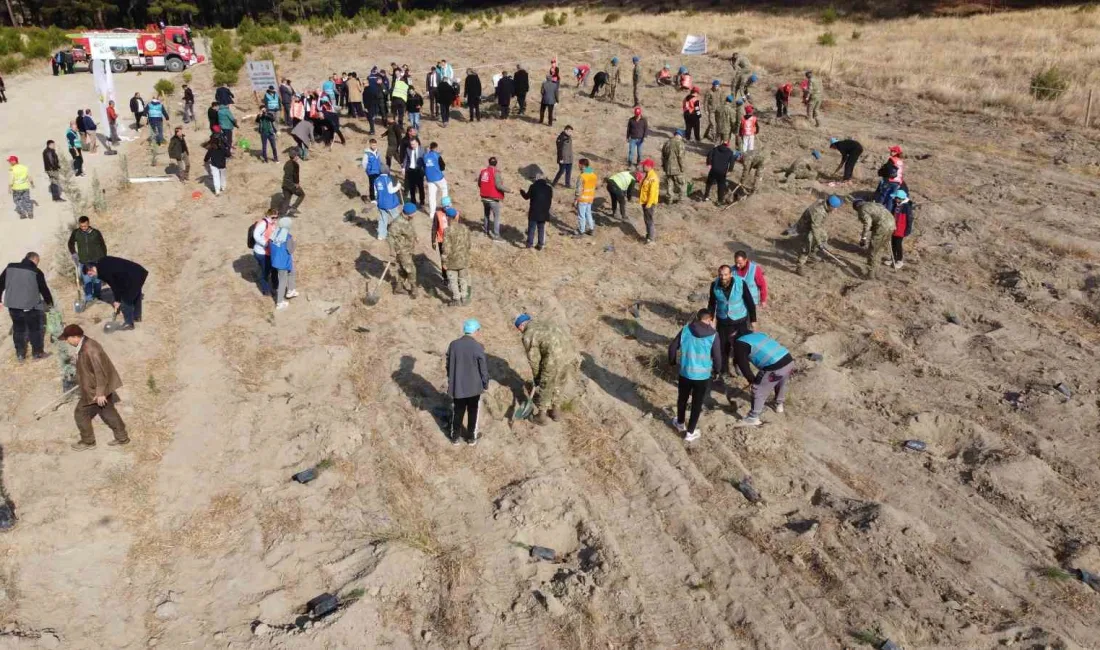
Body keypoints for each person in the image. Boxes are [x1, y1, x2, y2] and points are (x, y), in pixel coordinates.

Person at [62, 324, 130, 451]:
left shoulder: (90, 349)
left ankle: (88, 442)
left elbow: (100, 372)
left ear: (75, 337)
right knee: (108, 411)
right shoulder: (84, 345)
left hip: (95, 390)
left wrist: (100, 393)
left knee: (80, 413)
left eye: (67, 338)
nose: (66, 341)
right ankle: (122, 437)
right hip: (97, 387)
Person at [667, 309, 721, 442]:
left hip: (685, 372)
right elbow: (717, 356)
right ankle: (690, 432)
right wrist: (717, 370)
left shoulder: (686, 330)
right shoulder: (713, 335)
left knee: (682, 399)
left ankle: (680, 423)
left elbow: (672, 347)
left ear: (697, 318)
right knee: (697, 404)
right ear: (710, 319)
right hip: (702, 376)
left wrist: (672, 362)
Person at [514, 313, 572, 425]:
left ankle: (541, 416)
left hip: (554, 357)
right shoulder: (544, 323)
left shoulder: (528, 335)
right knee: (559, 382)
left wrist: (537, 377)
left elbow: (534, 359)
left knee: (546, 383)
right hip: (568, 354)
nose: (520, 331)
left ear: (521, 326)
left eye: (518, 329)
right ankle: (556, 412)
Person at [730, 329, 794, 426]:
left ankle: (752, 418)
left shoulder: (740, 343)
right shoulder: (758, 335)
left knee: (758, 390)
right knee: (781, 383)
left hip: (773, 367)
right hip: (788, 360)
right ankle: (779, 404)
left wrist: (751, 380)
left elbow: (743, 365)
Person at [0, 252, 53, 361]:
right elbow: (44, 289)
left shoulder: (10, 267)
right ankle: (37, 353)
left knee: (18, 329)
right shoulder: (36, 272)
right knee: (35, 329)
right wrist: (50, 303)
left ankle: (20, 354)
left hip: (13, 306)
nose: (37, 264)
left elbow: (0, 284)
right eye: (38, 262)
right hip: (30, 306)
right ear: (34, 260)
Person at [706, 264, 756, 377]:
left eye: (725, 274)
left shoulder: (740, 283)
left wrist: (753, 319)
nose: (723, 277)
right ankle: (724, 370)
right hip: (723, 320)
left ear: (731, 274)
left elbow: (749, 301)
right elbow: (712, 303)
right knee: (723, 346)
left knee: (741, 345)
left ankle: (738, 364)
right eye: (721, 275)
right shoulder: (714, 285)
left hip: (740, 320)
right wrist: (710, 318)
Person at [446, 319, 489, 445]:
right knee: (473, 411)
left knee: (458, 410)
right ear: (475, 331)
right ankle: (471, 438)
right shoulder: (478, 347)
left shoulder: (453, 345)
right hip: (474, 387)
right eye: (478, 331)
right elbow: (483, 368)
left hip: (457, 385)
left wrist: (451, 378)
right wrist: (485, 384)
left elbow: (448, 364)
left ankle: (455, 437)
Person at [84, 257, 148, 330]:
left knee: (126, 299)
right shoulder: (102, 262)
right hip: (139, 271)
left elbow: (114, 285)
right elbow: (117, 279)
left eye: (90, 274)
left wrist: (117, 300)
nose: (90, 276)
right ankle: (137, 317)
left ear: (92, 268)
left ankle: (129, 324)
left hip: (133, 276)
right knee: (136, 293)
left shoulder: (103, 272)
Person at [796, 195, 843, 275]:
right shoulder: (819, 212)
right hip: (805, 227)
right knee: (808, 243)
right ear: (831, 206)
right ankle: (799, 266)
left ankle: (812, 253)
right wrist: (819, 243)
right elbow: (815, 228)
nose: (836, 210)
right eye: (835, 208)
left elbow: (816, 225)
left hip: (812, 224)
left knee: (824, 236)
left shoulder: (823, 203)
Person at [851, 199, 894, 278]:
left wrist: (863, 238)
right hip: (892, 224)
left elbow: (867, 224)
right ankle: (876, 271)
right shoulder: (874, 204)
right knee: (880, 249)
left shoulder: (862, 209)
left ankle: (870, 274)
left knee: (872, 251)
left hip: (882, 228)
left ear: (856, 208)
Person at [442, 207, 472, 306]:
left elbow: (446, 248)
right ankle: (464, 297)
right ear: (455, 216)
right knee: (463, 279)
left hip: (452, 260)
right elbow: (469, 244)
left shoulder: (447, 231)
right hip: (464, 259)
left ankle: (456, 299)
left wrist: (444, 262)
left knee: (453, 280)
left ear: (447, 217)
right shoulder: (465, 228)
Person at [389, 203, 419, 297]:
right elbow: (390, 236)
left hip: (408, 249)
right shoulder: (397, 223)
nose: (415, 214)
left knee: (403, 270)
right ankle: (414, 289)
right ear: (409, 213)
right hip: (402, 251)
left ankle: (398, 288)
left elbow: (410, 229)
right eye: (414, 212)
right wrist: (392, 251)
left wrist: (415, 236)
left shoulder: (408, 219)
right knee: (411, 269)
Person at [269, 217, 299, 310]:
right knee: (282, 281)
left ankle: (291, 290)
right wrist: (295, 242)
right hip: (283, 263)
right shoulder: (288, 237)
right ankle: (279, 303)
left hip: (275, 261)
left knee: (292, 272)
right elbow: (291, 250)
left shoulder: (274, 234)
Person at [478, 157, 508, 240]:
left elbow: (480, 183)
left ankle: (485, 232)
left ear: (489, 162)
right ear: (496, 163)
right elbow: (499, 186)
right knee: (496, 217)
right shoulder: (496, 172)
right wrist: (509, 190)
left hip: (484, 197)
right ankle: (496, 235)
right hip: (493, 199)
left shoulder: (483, 172)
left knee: (486, 215)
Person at [520, 170, 554, 243]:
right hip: (544, 211)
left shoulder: (533, 186)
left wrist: (521, 191)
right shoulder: (549, 188)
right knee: (541, 228)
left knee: (532, 227)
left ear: (537, 178)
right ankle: (540, 244)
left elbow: (526, 197)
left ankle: (529, 244)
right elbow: (550, 199)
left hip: (534, 211)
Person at [250, 209, 278, 296]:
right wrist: (265, 243)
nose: (275, 219)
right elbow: (256, 235)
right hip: (261, 252)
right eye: (273, 217)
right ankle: (266, 290)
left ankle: (275, 285)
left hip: (270, 251)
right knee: (265, 272)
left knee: (274, 269)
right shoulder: (263, 223)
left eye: (277, 217)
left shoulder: (272, 223)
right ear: (268, 216)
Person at [373, 166, 403, 240]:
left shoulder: (376, 180)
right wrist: (398, 187)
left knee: (382, 219)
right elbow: (391, 191)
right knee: (397, 218)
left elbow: (376, 193)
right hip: (390, 204)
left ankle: (381, 235)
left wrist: (378, 200)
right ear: (387, 171)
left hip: (381, 204)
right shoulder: (388, 180)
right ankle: (400, 233)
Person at [703, 140, 736, 204]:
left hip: (713, 169)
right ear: (728, 145)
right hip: (722, 172)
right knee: (721, 186)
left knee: (709, 183)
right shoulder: (730, 152)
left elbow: (709, 155)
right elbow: (732, 162)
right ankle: (720, 201)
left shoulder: (715, 149)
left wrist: (709, 163)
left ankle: (706, 196)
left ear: (721, 143)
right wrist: (730, 170)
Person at [889, 189, 914, 270]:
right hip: (894, 228)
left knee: (898, 245)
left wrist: (908, 230)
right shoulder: (896, 204)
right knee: (892, 243)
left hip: (901, 230)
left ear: (901, 198)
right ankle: (892, 258)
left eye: (896, 198)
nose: (895, 199)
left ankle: (899, 260)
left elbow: (909, 219)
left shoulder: (906, 207)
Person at [572, 160, 597, 238]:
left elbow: (578, 189)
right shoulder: (593, 174)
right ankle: (591, 229)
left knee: (581, 215)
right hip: (590, 198)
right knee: (588, 213)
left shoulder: (582, 176)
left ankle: (581, 231)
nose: (578, 166)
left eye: (579, 164)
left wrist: (576, 199)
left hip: (582, 199)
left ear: (582, 165)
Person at [661, 130, 686, 203]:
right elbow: (680, 157)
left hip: (668, 168)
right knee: (682, 184)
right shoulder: (680, 143)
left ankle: (669, 199)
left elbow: (663, 156)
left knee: (670, 184)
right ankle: (681, 199)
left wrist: (664, 166)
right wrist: (682, 167)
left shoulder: (667, 143)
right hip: (677, 168)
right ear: (680, 136)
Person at [423, 141, 448, 217]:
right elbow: (443, 166)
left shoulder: (425, 156)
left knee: (432, 195)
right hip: (438, 177)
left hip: (429, 178)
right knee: (444, 189)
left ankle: (432, 214)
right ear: (436, 148)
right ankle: (445, 206)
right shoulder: (437, 156)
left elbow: (424, 166)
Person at [401, 131, 425, 208]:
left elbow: (425, 161)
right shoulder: (408, 149)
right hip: (410, 170)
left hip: (419, 171)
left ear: (417, 143)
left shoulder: (423, 150)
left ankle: (422, 202)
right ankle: (413, 202)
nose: (412, 146)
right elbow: (405, 159)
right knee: (412, 188)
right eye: (411, 144)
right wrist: (403, 168)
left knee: (421, 187)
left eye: (413, 144)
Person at [638, 159, 660, 243]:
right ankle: (648, 236)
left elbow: (653, 192)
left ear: (649, 167)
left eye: (644, 165)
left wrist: (649, 203)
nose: (643, 167)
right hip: (645, 201)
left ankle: (651, 239)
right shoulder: (647, 175)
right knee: (646, 219)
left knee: (649, 220)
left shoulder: (653, 178)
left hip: (648, 203)